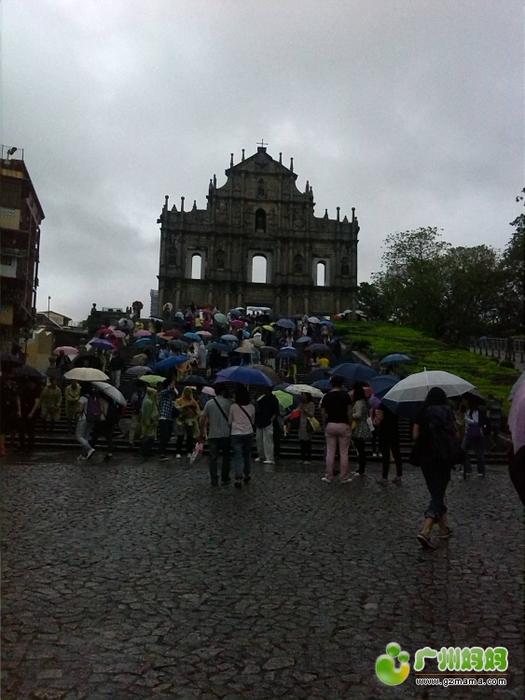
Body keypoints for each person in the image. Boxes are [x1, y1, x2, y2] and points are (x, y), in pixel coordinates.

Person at [412, 387, 458, 549]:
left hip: (426, 456)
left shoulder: (422, 411)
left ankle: (443, 529)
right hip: (444, 456)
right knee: (438, 492)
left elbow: (415, 435)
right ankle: (426, 529)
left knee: (436, 492)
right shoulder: (448, 411)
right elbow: (455, 433)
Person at [319, 375, 353, 483]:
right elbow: (349, 412)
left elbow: (323, 413)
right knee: (344, 452)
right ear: (342, 384)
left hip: (330, 424)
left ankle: (329, 476)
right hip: (343, 424)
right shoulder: (346, 396)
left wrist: (324, 425)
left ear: (331, 384)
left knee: (330, 452)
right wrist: (350, 424)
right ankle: (344, 477)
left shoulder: (327, 396)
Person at [200, 383, 232, 485]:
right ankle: (225, 477)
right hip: (226, 434)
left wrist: (202, 431)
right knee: (226, 457)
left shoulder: (209, 403)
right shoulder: (229, 403)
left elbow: (202, 418)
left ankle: (214, 479)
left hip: (213, 434)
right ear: (223, 391)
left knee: (213, 458)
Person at [229, 385, 255, 488]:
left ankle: (238, 477)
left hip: (236, 434)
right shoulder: (251, 407)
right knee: (247, 454)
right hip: (248, 433)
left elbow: (230, 421)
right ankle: (247, 474)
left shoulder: (233, 407)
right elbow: (253, 421)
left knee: (238, 456)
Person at [375, 402, 403, 484]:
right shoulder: (396, 404)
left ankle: (384, 478)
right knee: (397, 453)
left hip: (384, 432)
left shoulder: (382, 404)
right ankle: (399, 476)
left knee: (385, 455)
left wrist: (376, 418)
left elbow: (379, 419)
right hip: (394, 432)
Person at [462, 397, 489, 478]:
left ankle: (481, 471)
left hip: (477, 434)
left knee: (479, 453)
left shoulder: (478, 412)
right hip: (468, 434)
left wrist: (467, 419)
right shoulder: (467, 411)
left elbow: (477, 423)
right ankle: (467, 469)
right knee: (463, 450)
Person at [351, 383, 372, 476]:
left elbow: (358, 415)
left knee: (360, 449)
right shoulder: (364, 401)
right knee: (361, 448)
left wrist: (350, 415)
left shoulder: (359, 402)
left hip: (359, 426)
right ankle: (361, 468)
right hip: (363, 425)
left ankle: (361, 469)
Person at [254, 386, 279, 465]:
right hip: (260, 421)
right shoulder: (261, 398)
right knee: (259, 440)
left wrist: (271, 420)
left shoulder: (274, 399)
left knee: (267, 441)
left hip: (267, 422)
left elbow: (276, 412)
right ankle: (261, 455)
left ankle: (270, 457)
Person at [174, 387, 201, 458]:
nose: (187, 393)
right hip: (182, 420)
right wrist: (185, 406)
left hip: (190, 420)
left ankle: (189, 451)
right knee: (180, 436)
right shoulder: (179, 400)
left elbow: (198, 411)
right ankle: (178, 451)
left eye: (189, 392)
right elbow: (176, 408)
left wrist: (194, 416)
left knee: (190, 437)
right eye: (186, 391)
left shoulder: (193, 401)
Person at [157, 380, 178, 461]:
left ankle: (163, 452)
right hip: (163, 418)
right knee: (164, 436)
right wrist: (171, 386)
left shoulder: (170, 398)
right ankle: (161, 453)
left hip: (169, 419)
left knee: (167, 436)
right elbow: (166, 391)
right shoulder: (163, 394)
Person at [18, 380, 41, 450]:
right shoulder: (23, 390)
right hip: (24, 411)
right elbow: (19, 399)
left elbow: (37, 402)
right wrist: (19, 410)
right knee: (22, 430)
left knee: (30, 430)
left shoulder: (36, 391)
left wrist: (32, 413)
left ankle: (30, 445)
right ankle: (23, 445)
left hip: (31, 413)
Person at [0, 378, 20, 455]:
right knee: (2, 430)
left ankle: (3, 448)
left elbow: (16, 399)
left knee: (4, 430)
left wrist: (18, 410)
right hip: (5, 411)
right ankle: (2, 448)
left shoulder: (12, 390)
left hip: (8, 411)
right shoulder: (5, 389)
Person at [76, 387, 96, 461]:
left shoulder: (83, 398)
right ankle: (83, 454)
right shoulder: (93, 397)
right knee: (86, 437)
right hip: (91, 419)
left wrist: (77, 409)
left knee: (79, 436)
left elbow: (80, 409)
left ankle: (90, 449)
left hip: (83, 418)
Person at [141, 387, 159, 459]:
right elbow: (147, 414)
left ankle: (148, 451)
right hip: (149, 423)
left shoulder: (152, 401)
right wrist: (149, 422)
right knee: (148, 438)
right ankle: (145, 451)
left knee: (150, 438)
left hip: (152, 423)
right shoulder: (148, 402)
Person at [298, 392, 316, 464]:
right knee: (301, 441)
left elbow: (312, 415)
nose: (303, 396)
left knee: (307, 442)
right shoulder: (301, 404)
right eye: (302, 395)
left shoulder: (311, 404)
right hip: (301, 423)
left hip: (307, 424)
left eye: (304, 395)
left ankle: (308, 458)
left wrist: (305, 411)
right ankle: (302, 458)